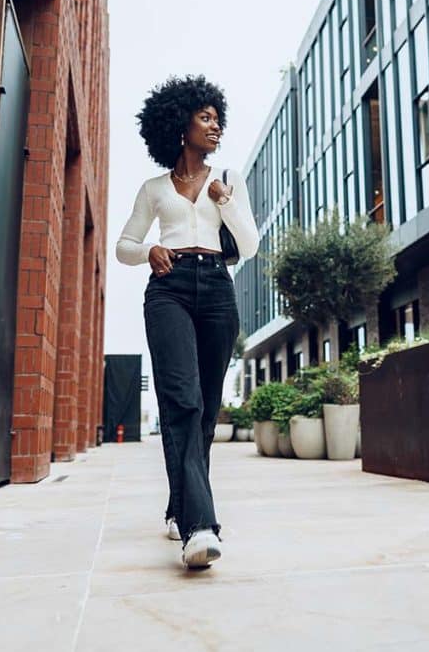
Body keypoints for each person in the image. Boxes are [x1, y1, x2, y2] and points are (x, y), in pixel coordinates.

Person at [115, 75, 258, 569]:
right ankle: (199, 526)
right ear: (181, 125)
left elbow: (250, 243)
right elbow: (123, 246)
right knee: (182, 401)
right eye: (205, 117)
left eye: (218, 118)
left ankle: (181, 506)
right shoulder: (154, 189)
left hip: (217, 288)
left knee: (206, 408)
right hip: (169, 288)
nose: (215, 125)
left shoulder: (229, 179)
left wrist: (223, 199)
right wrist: (149, 250)